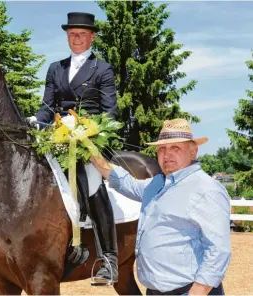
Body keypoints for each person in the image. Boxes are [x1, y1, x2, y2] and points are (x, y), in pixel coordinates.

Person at [90, 118, 231, 295]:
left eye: (175, 148)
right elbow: (126, 183)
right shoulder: (157, 184)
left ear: (193, 152)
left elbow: (218, 250)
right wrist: (92, 153)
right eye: (162, 149)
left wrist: (198, 291)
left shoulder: (206, 189)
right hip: (155, 291)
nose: (167, 154)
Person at [27, 12, 119, 284]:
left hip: (88, 140)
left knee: (92, 183)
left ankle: (110, 259)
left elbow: (110, 111)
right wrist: (36, 121)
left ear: (91, 37)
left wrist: (88, 130)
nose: (75, 38)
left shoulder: (102, 69)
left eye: (81, 34)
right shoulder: (55, 68)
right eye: (71, 34)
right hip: (58, 138)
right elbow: (47, 108)